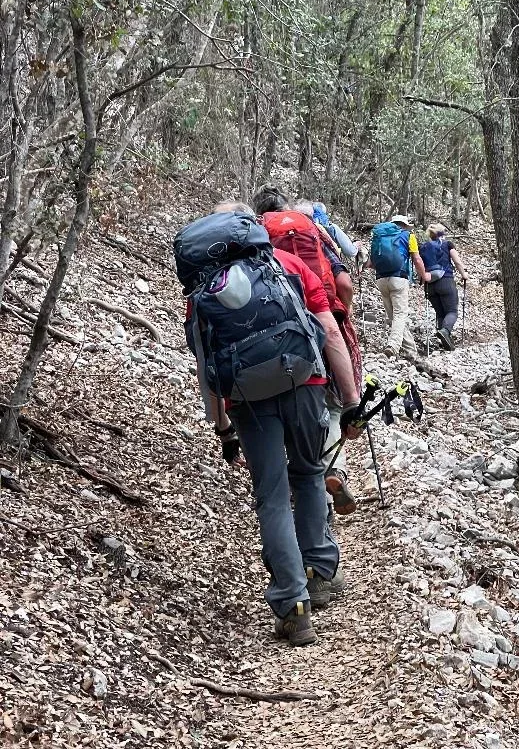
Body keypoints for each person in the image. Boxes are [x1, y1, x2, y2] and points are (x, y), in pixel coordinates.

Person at [177, 203, 361, 648]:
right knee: (310, 474)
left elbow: (207, 366)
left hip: (246, 400)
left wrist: (222, 426)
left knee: (273, 496)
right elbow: (331, 333)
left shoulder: (205, 287)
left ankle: (292, 606)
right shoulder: (291, 265)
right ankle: (318, 571)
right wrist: (351, 398)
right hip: (305, 383)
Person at [252, 186, 362, 518]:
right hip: (323, 323)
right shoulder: (313, 230)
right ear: (286, 206)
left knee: (284, 407)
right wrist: (343, 312)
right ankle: (330, 471)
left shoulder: (255, 234)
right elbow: (344, 285)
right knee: (330, 407)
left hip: (272, 332)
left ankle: (297, 484)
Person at [369, 214, 430, 361]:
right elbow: (416, 258)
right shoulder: (408, 236)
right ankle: (393, 347)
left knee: (394, 317)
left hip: (381, 279)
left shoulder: (379, 236)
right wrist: (424, 275)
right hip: (399, 278)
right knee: (400, 315)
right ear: (404, 225)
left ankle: (411, 351)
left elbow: (371, 263)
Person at [418, 223, 468, 350]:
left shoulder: (423, 247)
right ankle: (445, 331)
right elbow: (456, 261)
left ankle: (444, 343)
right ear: (442, 234)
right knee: (452, 311)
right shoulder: (447, 244)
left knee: (440, 314)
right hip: (446, 281)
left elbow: (419, 266)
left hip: (430, 285)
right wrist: (464, 274)